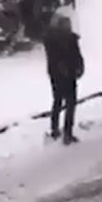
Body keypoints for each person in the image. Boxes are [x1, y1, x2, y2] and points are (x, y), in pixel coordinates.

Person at [43, 13, 84, 145]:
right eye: (66, 25)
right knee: (58, 101)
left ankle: (68, 132)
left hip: (70, 74)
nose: (68, 27)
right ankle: (55, 129)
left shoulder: (71, 39)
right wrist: (62, 69)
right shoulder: (52, 41)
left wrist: (79, 67)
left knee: (71, 103)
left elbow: (77, 54)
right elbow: (54, 59)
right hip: (58, 76)